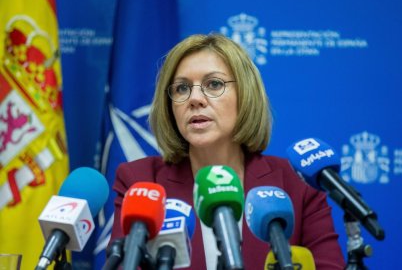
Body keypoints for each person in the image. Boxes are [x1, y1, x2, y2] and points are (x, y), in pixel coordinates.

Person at [109, 33, 345, 269]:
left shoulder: (296, 183)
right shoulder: (140, 182)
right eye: (182, 88)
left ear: (245, 95)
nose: (195, 99)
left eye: (214, 84)